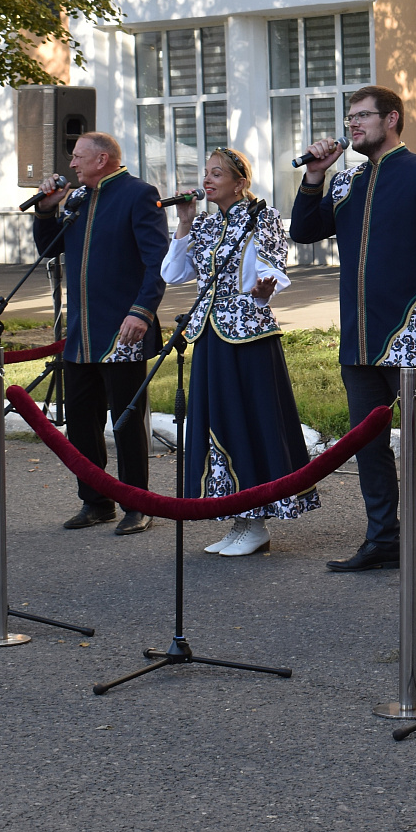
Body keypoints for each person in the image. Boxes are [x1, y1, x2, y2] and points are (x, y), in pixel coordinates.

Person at [289, 87, 416, 587]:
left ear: (392, 119)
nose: (352, 126)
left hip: (412, 334)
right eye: (349, 118)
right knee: (367, 446)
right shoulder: (346, 182)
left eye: (362, 117)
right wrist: (314, 176)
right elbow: (303, 231)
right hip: (359, 339)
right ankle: (383, 540)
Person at [160, 148, 318, 556]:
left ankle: (257, 520)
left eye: (217, 173)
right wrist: (183, 221)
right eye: (206, 173)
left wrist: (265, 290)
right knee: (217, 424)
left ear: (240, 181)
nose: (208, 180)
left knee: (248, 423)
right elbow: (174, 274)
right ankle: (238, 519)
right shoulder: (207, 225)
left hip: (247, 339)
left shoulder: (261, 216)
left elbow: (270, 268)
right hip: (211, 337)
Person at [33, 132, 170, 535]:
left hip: (123, 330)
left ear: (102, 159)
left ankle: (136, 504)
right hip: (82, 333)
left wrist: (142, 313)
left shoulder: (139, 194)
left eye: (78, 157)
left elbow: (156, 261)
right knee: (80, 421)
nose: (71, 164)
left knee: (126, 422)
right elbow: (49, 249)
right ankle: (95, 501)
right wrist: (44, 211)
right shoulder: (75, 199)